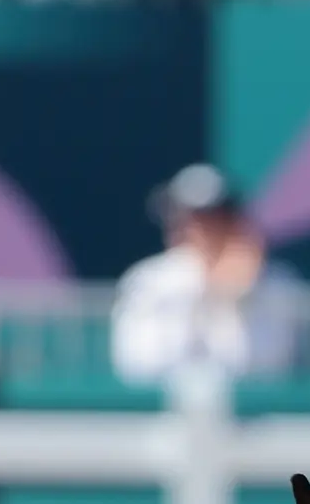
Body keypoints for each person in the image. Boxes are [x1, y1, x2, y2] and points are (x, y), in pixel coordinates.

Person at [111, 162, 296, 383]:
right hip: (164, 409)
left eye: (213, 219)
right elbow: (139, 362)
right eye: (189, 220)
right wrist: (204, 288)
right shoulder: (149, 279)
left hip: (258, 412)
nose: (199, 229)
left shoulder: (277, 280)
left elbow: (273, 364)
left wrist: (240, 291)